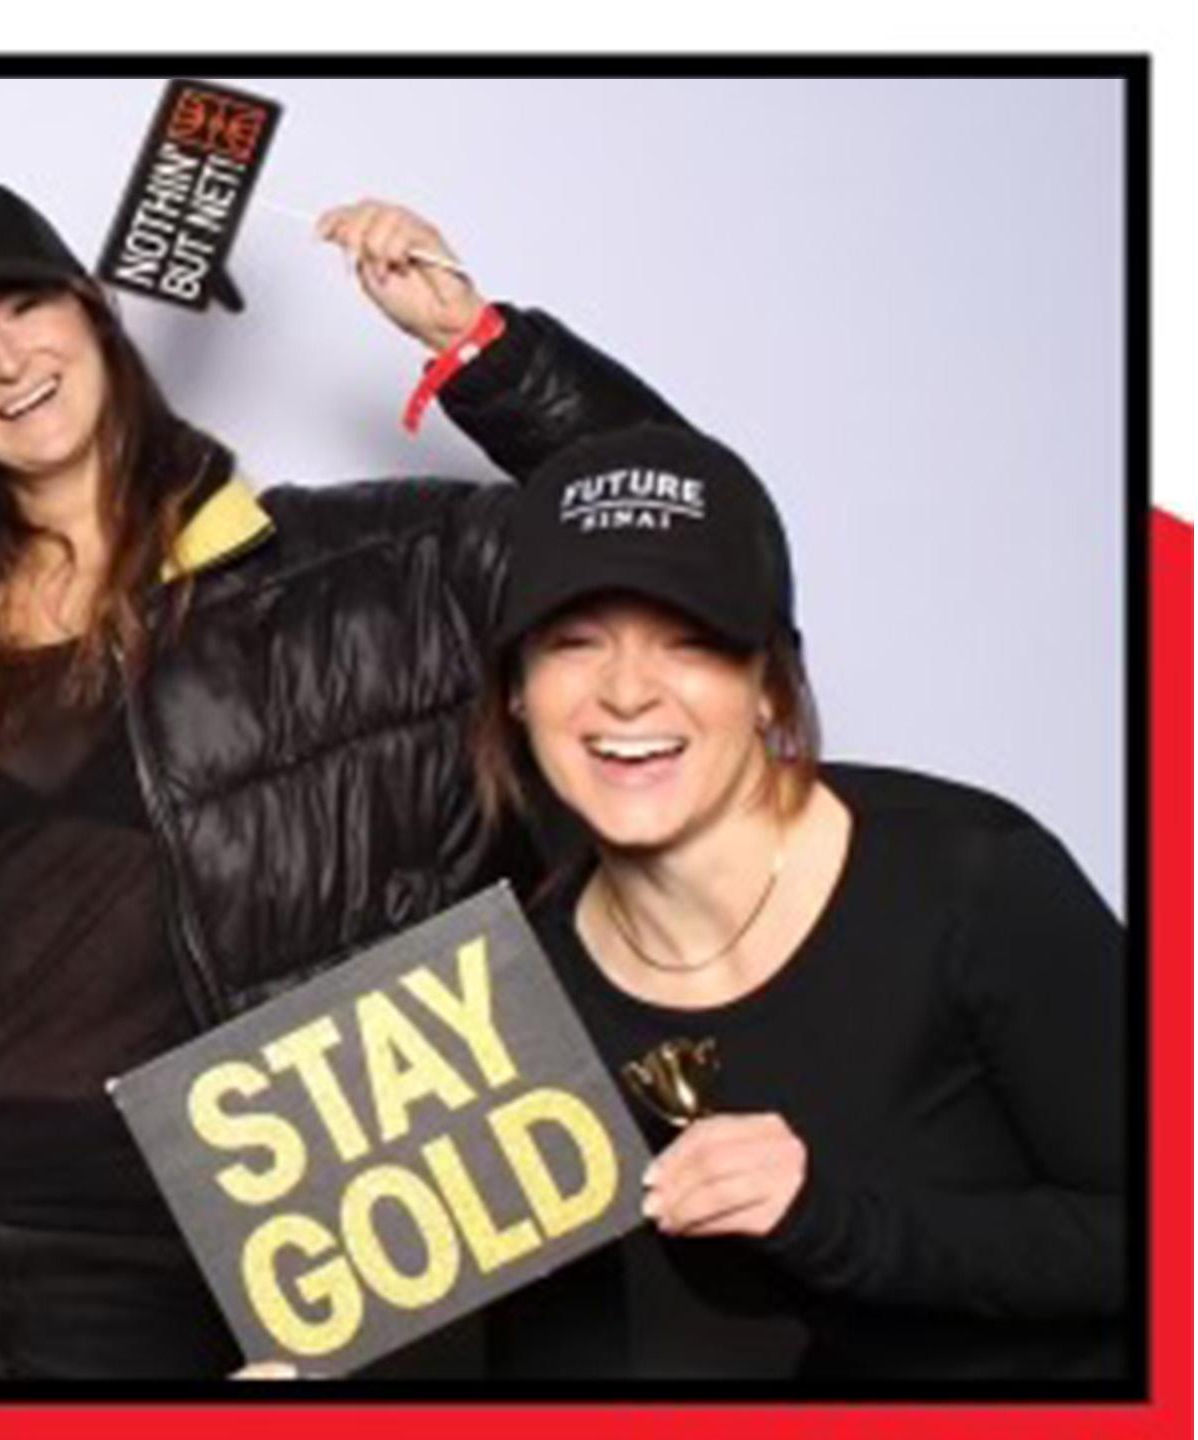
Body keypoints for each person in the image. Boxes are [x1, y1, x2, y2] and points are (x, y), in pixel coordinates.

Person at [0, 182, 684, 1378]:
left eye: (22, 307)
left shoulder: (363, 570)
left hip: (259, 1232)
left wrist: (478, 346)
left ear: (91, 310)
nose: (4, 362)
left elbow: (673, 532)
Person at [476, 424, 1125, 1379]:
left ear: (773, 685)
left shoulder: (973, 877)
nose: (624, 693)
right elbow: (563, 1360)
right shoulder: (521, 998)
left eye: (690, 641)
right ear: (519, 694)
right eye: (573, 643)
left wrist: (830, 1219)